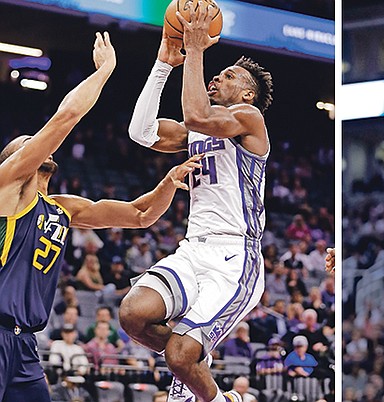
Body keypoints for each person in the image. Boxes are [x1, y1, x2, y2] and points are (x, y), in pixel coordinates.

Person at [0, 32, 202, 401]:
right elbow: (66, 116)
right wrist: (106, 70)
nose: (36, 144)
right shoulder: (5, 187)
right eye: (25, 144)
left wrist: (169, 183)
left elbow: (140, 215)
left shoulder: (62, 207)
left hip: (25, 343)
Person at [120, 4, 273, 402]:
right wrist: (163, 65)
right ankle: (193, 368)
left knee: (180, 355)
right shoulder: (196, 128)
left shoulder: (249, 118)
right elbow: (141, 132)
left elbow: (199, 115)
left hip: (234, 257)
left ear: (247, 93)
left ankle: (197, 379)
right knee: (133, 314)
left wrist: (196, 49)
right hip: (193, 249)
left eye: (230, 76)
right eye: (218, 73)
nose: (218, 78)